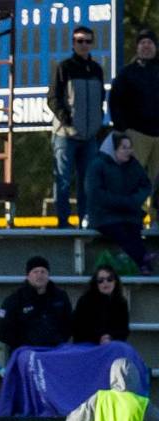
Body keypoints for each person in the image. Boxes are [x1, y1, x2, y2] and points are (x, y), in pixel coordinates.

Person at [47, 25, 106, 228]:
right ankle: (62, 223)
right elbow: (53, 98)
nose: (84, 44)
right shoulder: (64, 67)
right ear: (73, 43)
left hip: (89, 136)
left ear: (92, 44)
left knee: (87, 182)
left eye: (88, 41)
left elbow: (100, 99)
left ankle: (85, 221)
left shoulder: (97, 69)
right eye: (80, 41)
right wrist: (67, 120)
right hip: (66, 135)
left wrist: (97, 121)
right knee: (63, 180)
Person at [86, 131, 152, 271]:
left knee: (133, 229)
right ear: (113, 149)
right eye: (124, 147)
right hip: (104, 215)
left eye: (130, 147)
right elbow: (96, 194)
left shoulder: (133, 165)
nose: (129, 151)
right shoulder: (98, 165)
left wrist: (134, 200)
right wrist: (123, 202)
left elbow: (145, 185)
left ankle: (144, 263)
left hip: (128, 213)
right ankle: (143, 259)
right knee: (121, 232)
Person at [109, 28, 159, 214]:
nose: (146, 46)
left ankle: (156, 225)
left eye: (150, 43)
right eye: (142, 43)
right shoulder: (127, 73)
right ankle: (130, 220)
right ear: (137, 47)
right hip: (136, 135)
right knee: (132, 180)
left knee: (158, 184)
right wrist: (123, 130)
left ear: (155, 47)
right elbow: (114, 102)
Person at [0, 256, 73, 354]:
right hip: (26, 355)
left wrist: (58, 340)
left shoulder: (60, 297)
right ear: (28, 276)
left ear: (48, 275)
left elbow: (69, 323)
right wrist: (21, 345)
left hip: (54, 353)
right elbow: (2, 330)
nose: (39, 275)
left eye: (43, 271)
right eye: (35, 272)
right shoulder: (15, 299)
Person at [72, 265, 129, 344]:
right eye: (100, 280)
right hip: (89, 345)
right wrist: (99, 338)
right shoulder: (85, 301)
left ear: (115, 281)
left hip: (113, 342)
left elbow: (124, 330)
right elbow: (78, 329)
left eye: (109, 279)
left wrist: (110, 337)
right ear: (96, 283)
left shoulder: (121, 302)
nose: (105, 283)